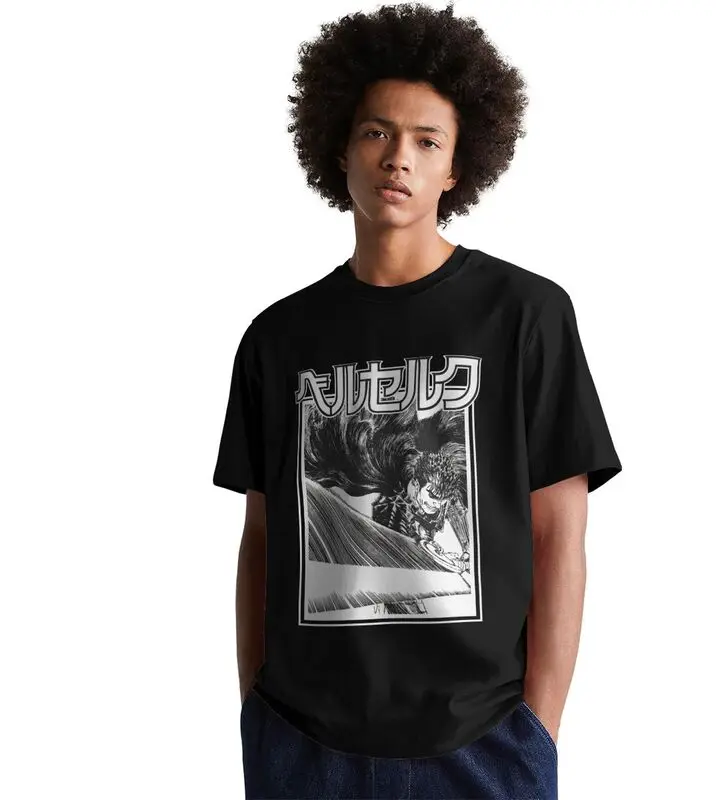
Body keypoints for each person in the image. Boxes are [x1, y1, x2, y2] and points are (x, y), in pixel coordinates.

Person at [212, 3, 622, 798]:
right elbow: (261, 539)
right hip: (302, 743)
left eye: (427, 141)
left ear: (456, 168)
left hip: (484, 742)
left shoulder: (525, 316)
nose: (398, 158)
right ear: (340, 146)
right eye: (377, 132)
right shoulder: (278, 337)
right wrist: (256, 713)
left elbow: (559, 535)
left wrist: (537, 728)